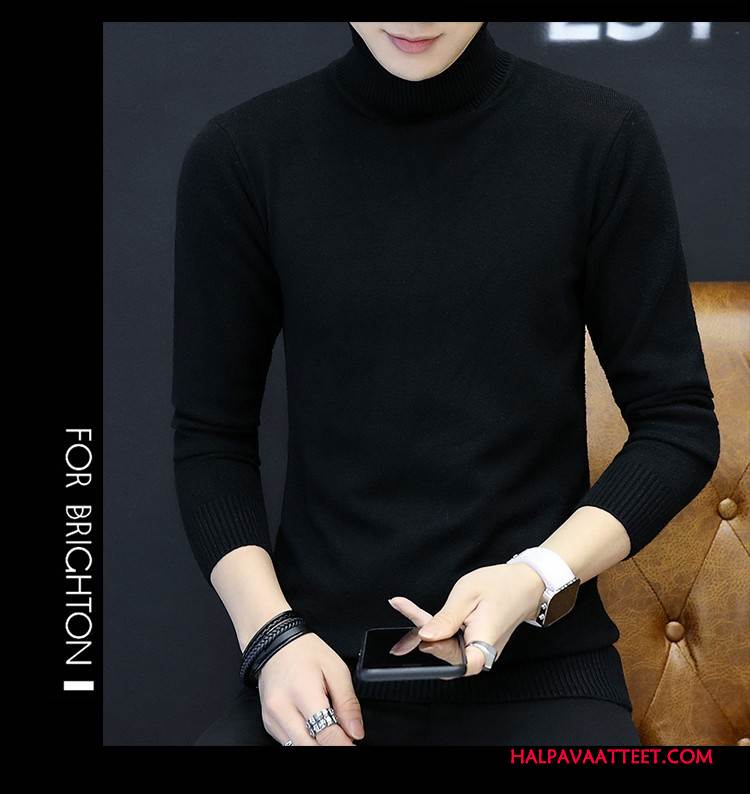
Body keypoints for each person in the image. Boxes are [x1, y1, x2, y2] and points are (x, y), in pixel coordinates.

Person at [170, 21, 720, 746]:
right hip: (318, 667)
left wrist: (536, 575)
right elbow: (211, 439)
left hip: (544, 670)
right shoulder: (244, 154)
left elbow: (677, 423)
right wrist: (271, 638)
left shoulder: (598, 136)